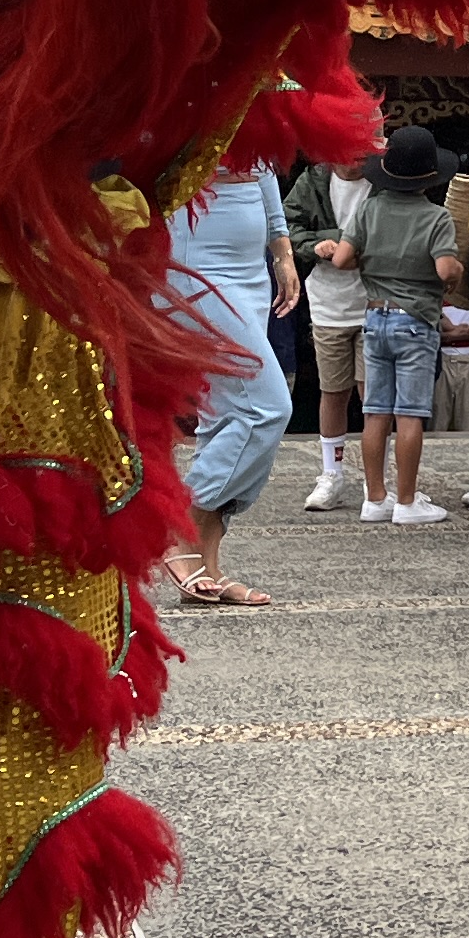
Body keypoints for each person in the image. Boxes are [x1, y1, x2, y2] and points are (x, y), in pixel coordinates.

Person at [165, 162, 296, 607]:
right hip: (194, 258)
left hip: (248, 267)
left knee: (223, 417)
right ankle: (180, 525)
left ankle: (209, 562)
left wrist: (282, 253)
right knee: (265, 408)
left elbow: (265, 162)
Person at [334, 125, 461, 524]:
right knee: (409, 413)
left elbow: (341, 259)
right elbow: (444, 269)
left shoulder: (370, 209)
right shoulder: (436, 217)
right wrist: (457, 270)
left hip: (375, 316)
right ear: (430, 177)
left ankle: (375, 498)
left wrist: (370, 262)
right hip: (416, 322)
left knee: (375, 412)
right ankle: (406, 502)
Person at [284, 152, 370, 508]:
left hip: (374, 301)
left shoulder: (382, 179)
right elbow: (287, 225)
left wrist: (340, 240)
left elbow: (397, 224)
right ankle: (331, 475)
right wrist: (315, 246)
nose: (352, 163)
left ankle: (376, 481)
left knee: (374, 397)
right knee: (333, 391)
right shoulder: (313, 179)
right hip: (328, 303)